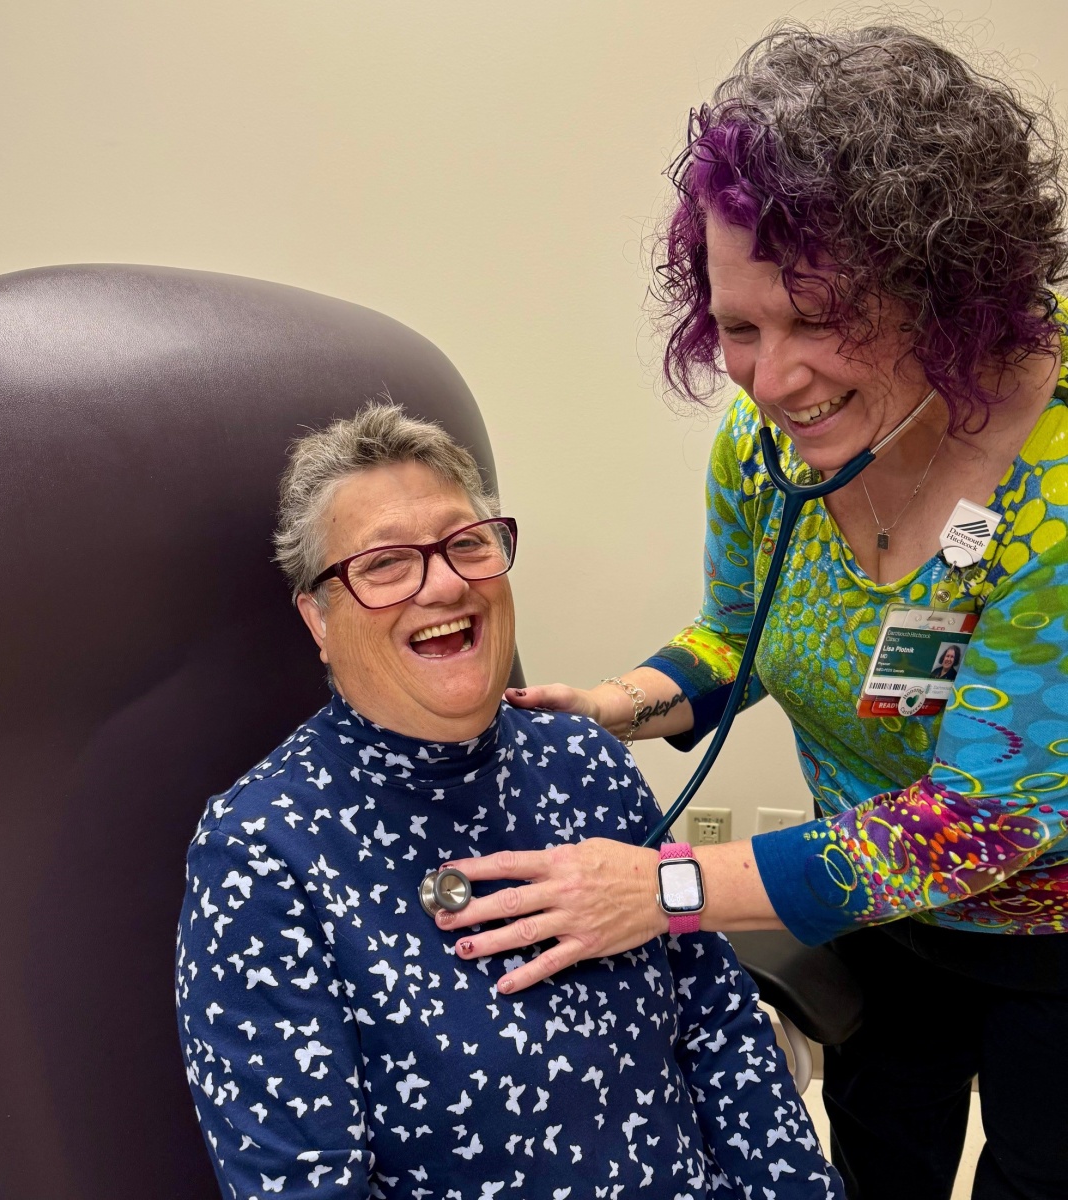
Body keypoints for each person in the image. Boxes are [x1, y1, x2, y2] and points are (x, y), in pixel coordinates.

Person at [431, 24, 1068, 1200]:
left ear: (951, 288)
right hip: (873, 910)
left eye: (822, 320)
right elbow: (745, 627)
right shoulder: (772, 446)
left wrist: (662, 887)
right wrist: (624, 702)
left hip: (1050, 935)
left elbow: (978, 824)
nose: (772, 380)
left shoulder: (1055, 479)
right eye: (738, 326)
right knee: (881, 1149)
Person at [175, 402, 843, 1199]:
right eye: (385, 563)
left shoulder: (584, 759)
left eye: (467, 544)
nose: (447, 582)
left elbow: (718, 1026)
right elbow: (302, 1183)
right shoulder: (261, 852)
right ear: (318, 617)